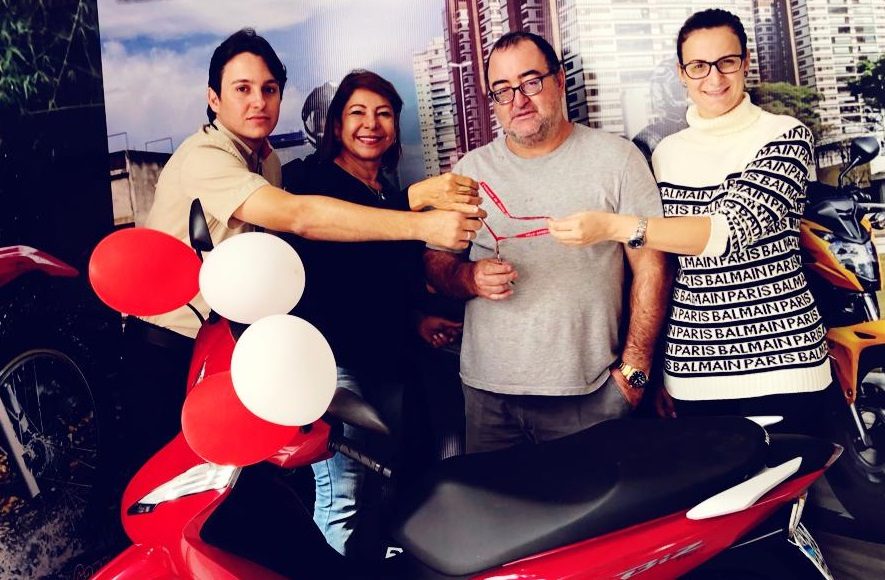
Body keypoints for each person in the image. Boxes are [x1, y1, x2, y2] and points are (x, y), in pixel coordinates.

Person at [121, 29, 483, 471]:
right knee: (168, 482)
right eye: (242, 89)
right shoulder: (207, 157)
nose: (258, 102)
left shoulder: (267, 160)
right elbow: (299, 217)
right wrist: (422, 218)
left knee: (234, 485)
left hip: (233, 349)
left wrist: (415, 314)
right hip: (172, 347)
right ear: (213, 98)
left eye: (269, 89)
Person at [546, 9, 831, 435]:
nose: (713, 78)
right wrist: (660, 367)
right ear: (682, 74)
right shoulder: (666, 154)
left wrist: (613, 226)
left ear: (745, 62)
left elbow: (728, 230)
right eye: (698, 66)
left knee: (790, 478)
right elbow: (665, 266)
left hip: (786, 368)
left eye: (726, 62)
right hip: (693, 374)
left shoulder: (785, 135)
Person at [424, 31, 671, 454]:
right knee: (496, 500)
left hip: (591, 395)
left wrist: (634, 372)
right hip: (488, 399)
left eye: (531, 82)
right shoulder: (468, 172)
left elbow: (652, 267)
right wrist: (468, 278)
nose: (518, 100)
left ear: (558, 80)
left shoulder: (618, 159)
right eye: (502, 90)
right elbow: (435, 265)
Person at [281, 70, 469, 560]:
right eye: (358, 113)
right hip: (334, 367)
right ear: (335, 125)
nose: (371, 124)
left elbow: (375, 282)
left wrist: (417, 321)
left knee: (383, 488)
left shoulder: (385, 188)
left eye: (383, 113)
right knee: (342, 495)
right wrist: (418, 203)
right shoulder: (311, 179)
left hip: (386, 362)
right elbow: (331, 257)